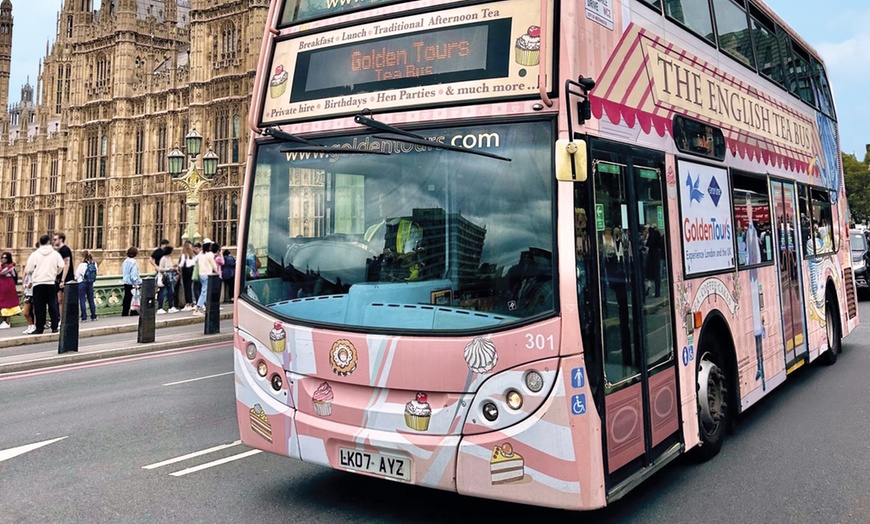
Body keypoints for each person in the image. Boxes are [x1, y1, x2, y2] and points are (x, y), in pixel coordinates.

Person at [24, 235, 65, 334]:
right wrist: (55, 272)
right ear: (48, 242)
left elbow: (28, 269)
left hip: (38, 283)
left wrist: (35, 272)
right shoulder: (55, 254)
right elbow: (61, 266)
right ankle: (54, 326)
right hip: (50, 282)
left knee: (39, 307)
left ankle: (40, 328)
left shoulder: (35, 254)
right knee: (52, 305)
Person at [194, 239, 218, 315]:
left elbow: (195, 260)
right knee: (204, 292)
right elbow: (214, 265)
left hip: (201, 274)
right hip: (207, 274)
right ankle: (197, 308)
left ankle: (206, 306)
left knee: (205, 291)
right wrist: (219, 272)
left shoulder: (200, 254)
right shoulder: (210, 254)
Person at [53, 231, 74, 317]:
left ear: (61, 239)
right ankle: (61, 319)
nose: (53, 241)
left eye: (55, 239)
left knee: (65, 300)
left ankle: (66, 318)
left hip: (65, 278)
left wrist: (63, 279)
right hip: (58, 278)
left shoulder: (65, 250)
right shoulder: (58, 251)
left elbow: (66, 264)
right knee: (59, 300)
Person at [75, 250, 98, 322]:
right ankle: (93, 316)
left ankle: (84, 317)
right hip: (90, 283)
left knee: (82, 300)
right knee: (91, 299)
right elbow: (96, 273)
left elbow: (76, 275)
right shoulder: (94, 264)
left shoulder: (81, 265)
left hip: (82, 283)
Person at [0, 252, 21, 329]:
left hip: (8, 287)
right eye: (2, 257)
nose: (3, 259)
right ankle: (4, 321)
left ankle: (7, 322)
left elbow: (2, 273)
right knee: (2, 304)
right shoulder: (3, 266)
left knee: (7, 304)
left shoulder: (10, 267)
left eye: (5, 258)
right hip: (2, 287)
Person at [121, 247, 143, 316]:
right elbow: (134, 274)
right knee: (133, 298)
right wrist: (136, 282)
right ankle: (133, 311)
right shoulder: (133, 262)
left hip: (126, 281)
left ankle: (125, 312)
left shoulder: (125, 261)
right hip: (132, 283)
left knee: (126, 297)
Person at [156, 246, 178, 314]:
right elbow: (160, 269)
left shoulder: (169, 258)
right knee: (162, 293)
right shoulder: (163, 259)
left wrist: (174, 267)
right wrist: (169, 269)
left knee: (171, 292)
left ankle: (170, 307)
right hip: (164, 278)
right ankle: (160, 308)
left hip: (170, 278)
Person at [178, 241, 197, 311]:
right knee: (191, 287)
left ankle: (188, 303)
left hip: (186, 271)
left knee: (186, 287)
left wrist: (177, 267)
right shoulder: (193, 254)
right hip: (192, 270)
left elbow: (182, 263)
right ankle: (193, 302)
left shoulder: (184, 254)